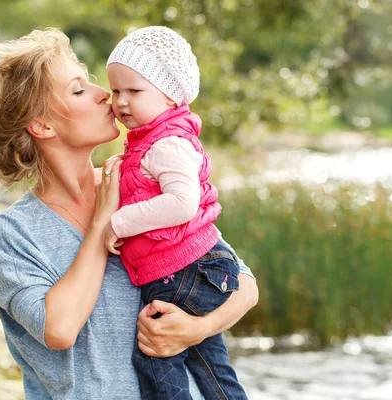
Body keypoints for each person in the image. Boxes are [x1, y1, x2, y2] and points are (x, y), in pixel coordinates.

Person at [0, 27, 258, 399]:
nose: (104, 95)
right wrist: (103, 223)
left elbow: (243, 282)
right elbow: (59, 329)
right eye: (79, 89)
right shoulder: (13, 233)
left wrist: (198, 329)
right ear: (42, 125)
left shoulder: (140, 182)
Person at [104, 26, 248, 399]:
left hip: (185, 270)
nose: (120, 101)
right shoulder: (148, 142)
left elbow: (182, 203)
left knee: (155, 356)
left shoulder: (167, 143)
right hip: (185, 267)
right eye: (116, 90)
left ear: (170, 96)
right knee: (212, 367)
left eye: (134, 90)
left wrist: (117, 222)